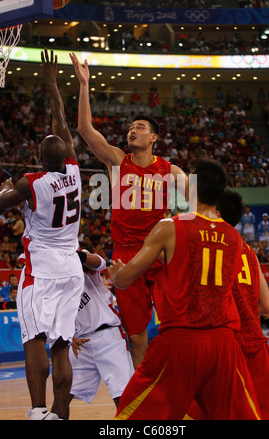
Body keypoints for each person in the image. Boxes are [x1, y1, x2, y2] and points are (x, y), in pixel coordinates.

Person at [108, 159, 261, 420]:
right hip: (224, 344)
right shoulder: (235, 237)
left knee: (130, 419)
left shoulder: (170, 226)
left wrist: (116, 274)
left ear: (194, 188)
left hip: (181, 341)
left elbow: (125, 279)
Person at [70, 52, 188, 368]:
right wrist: (84, 86)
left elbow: (200, 206)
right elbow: (85, 130)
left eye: (139, 127)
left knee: (177, 326)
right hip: (125, 255)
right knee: (136, 337)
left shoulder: (171, 170)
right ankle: (143, 396)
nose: (132, 130)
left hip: (159, 254)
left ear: (154, 137)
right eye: (130, 127)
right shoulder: (116, 162)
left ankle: (179, 383)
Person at [0, 49, 84, 421]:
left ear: (38, 156)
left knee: (34, 339)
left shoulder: (31, 182)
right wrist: (52, 85)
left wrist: (6, 191)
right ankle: (60, 414)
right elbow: (62, 122)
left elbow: (2, 204)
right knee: (61, 345)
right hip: (72, 269)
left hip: (42, 269)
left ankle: (36, 411)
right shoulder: (76, 172)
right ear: (65, 155)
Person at [216, 190, 269, 420]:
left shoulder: (211, 248)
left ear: (215, 213)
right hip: (257, 345)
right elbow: (265, 306)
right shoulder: (250, 252)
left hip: (227, 345)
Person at [68, 250, 134, 412]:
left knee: (123, 394)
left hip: (107, 335)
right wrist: (69, 336)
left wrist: (75, 256)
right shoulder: (48, 275)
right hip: (79, 341)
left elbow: (100, 263)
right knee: (63, 392)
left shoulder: (79, 256)